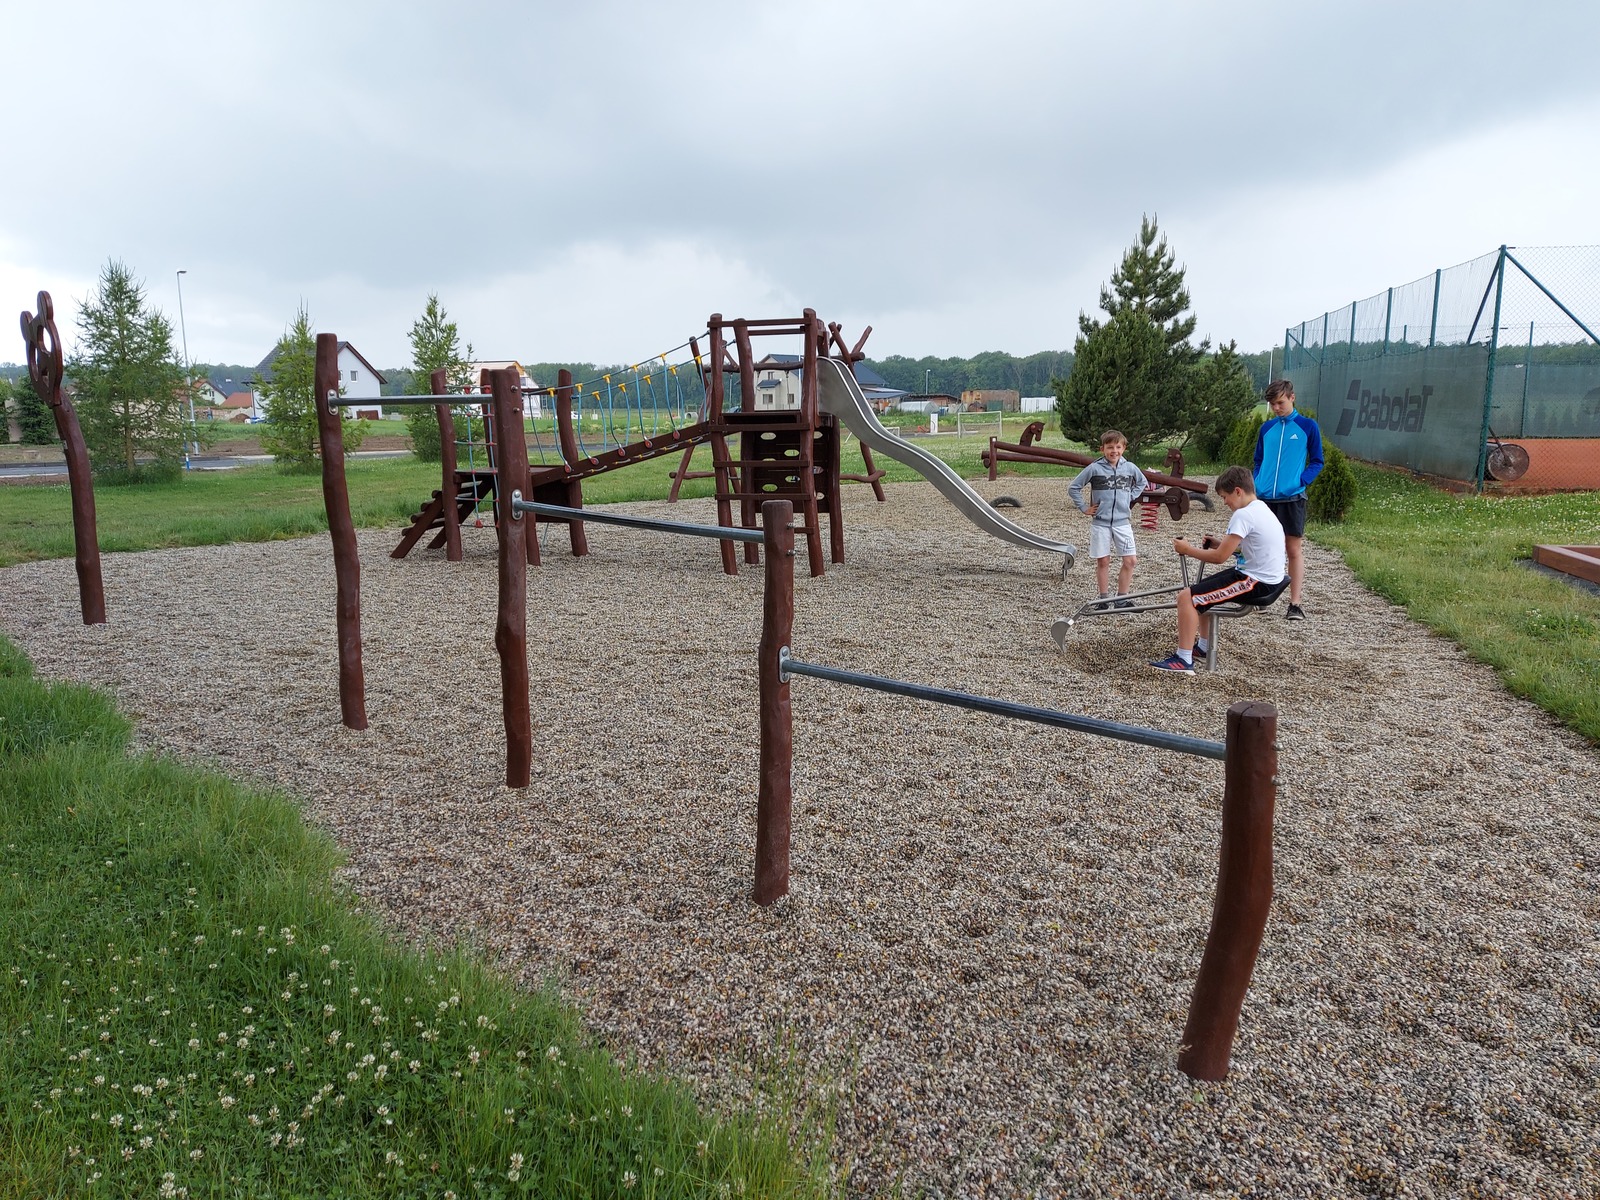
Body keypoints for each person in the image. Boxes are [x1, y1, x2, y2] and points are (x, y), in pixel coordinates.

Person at [1149, 465, 1287, 674]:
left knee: (1187, 598)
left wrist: (1187, 549)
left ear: (1238, 491)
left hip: (1257, 581)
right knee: (1201, 588)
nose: (1225, 502)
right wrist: (1219, 544)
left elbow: (1219, 558)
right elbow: (1250, 547)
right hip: (1264, 576)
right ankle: (1204, 647)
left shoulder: (1243, 515)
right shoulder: (1261, 508)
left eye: (1225, 497)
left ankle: (1183, 660)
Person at [1252, 379, 1323, 621]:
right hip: (1264, 498)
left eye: (1280, 403)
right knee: (1262, 548)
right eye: (1272, 404)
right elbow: (1258, 460)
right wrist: (1258, 481)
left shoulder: (1307, 426)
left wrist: (1300, 481)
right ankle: (1261, 597)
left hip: (1292, 498)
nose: (1276, 408)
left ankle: (1295, 604)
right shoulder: (1267, 429)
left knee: (1292, 549)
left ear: (1292, 398)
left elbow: (1317, 461)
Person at [1068, 430, 1150, 609]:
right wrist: (1084, 508)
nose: (1114, 451)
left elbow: (1142, 482)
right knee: (1103, 561)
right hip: (1101, 523)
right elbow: (1073, 488)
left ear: (1124, 448)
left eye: (1118, 447)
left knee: (1130, 560)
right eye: (1110, 447)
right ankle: (1103, 600)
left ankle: (1121, 600)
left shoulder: (1130, 468)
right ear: (1102, 449)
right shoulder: (1094, 468)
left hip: (1123, 523)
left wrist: (1130, 497)